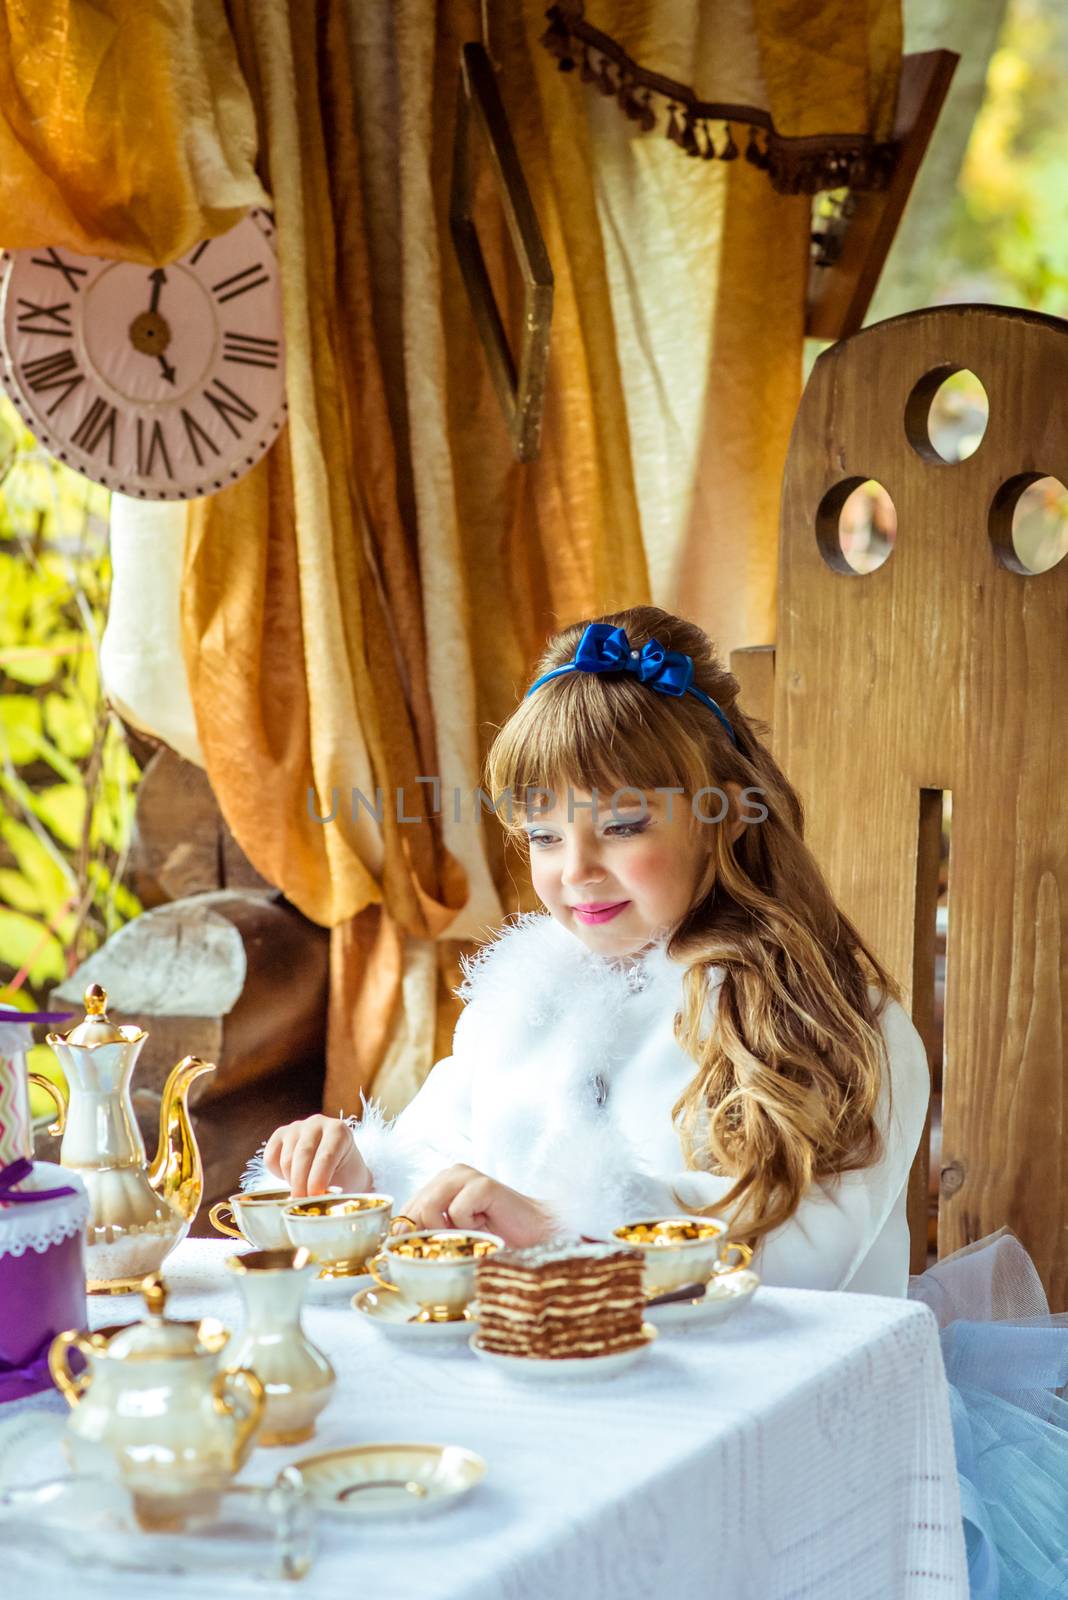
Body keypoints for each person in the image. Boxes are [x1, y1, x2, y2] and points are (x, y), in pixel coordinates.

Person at [251, 605, 930, 1296]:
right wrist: (362, 1181)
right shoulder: (517, 1007)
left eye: (622, 825)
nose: (576, 871)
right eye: (544, 836)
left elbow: (810, 1260)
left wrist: (567, 1230)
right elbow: (442, 1161)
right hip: (548, 1365)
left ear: (718, 816)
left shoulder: (826, 1021)